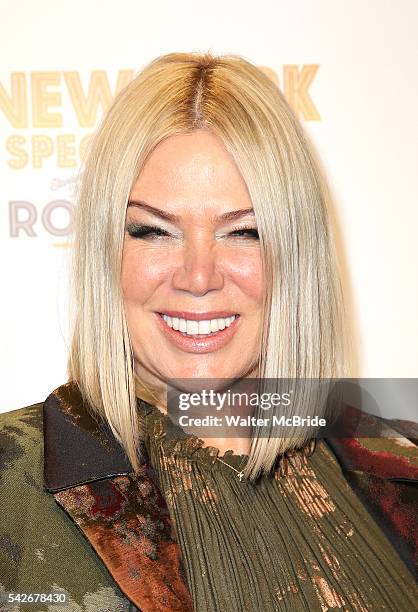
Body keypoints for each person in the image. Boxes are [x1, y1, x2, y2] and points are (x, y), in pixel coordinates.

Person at [1, 51, 417, 612]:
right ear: (106, 253)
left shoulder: (396, 459)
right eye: (153, 231)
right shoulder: (13, 482)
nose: (199, 276)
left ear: (298, 257)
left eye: (244, 232)